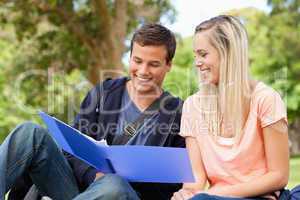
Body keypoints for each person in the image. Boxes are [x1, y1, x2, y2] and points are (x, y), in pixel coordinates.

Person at [0, 23, 185, 200]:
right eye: (137, 61)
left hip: (123, 194)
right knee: (29, 133)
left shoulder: (178, 114)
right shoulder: (103, 93)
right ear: (130, 57)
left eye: (153, 64)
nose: (143, 71)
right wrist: (93, 175)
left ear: (168, 65)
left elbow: (174, 185)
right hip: (77, 190)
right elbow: (70, 150)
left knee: (113, 184)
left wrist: (129, 177)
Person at [171, 15, 289, 200]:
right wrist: (186, 193)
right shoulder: (192, 106)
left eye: (203, 54)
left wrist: (213, 194)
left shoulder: (266, 100)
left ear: (228, 53)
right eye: (195, 55)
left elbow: (279, 176)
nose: (197, 63)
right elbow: (196, 177)